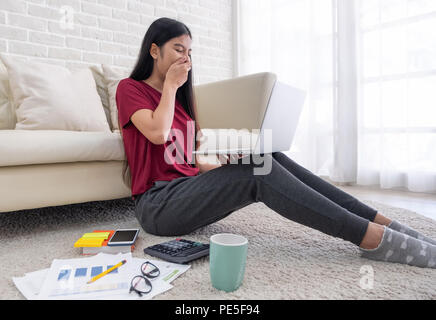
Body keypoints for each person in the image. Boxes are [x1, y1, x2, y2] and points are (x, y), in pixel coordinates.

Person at [116, 17, 436, 269]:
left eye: (189, 52)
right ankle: (371, 238)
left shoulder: (182, 106)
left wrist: (226, 169)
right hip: (157, 206)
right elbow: (157, 134)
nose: (186, 58)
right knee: (259, 170)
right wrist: (171, 86)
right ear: (154, 50)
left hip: (182, 194)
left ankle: (378, 221)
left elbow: (189, 161)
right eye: (178, 49)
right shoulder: (130, 89)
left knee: (269, 158)